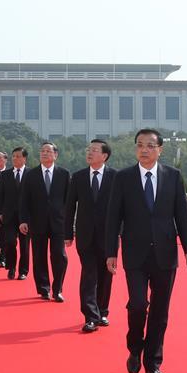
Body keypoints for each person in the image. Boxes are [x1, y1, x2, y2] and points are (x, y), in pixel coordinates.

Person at [106, 129, 187, 373]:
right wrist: (111, 251)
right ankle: (135, 347)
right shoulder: (124, 178)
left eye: (149, 145)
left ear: (160, 149)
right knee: (137, 303)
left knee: (160, 311)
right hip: (134, 254)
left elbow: (182, 215)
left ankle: (153, 362)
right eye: (140, 145)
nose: (144, 149)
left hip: (165, 254)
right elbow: (114, 218)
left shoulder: (173, 176)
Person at [65, 139, 117, 333]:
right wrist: (67, 233)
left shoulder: (115, 177)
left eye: (94, 150)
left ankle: (102, 311)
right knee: (89, 275)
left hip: (108, 236)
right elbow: (70, 207)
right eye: (89, 149)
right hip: (85, 235)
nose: (89, 153)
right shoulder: (78, 177)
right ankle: (90, 316)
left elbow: (122, 208)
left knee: (106, 274)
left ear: (104, 156)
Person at [19, 142, 70, 302]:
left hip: (58, 223)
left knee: (59, 256)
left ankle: (58, 289)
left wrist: (69, 223)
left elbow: (69, 201)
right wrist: (23, 220)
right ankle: (44, 288)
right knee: (39, 257)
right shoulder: (31, 174)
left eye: (48, 151)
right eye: (42, 151)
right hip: (37, 222)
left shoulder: (64, 174)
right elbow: (24, 200)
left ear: (55, 155)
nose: (44, 153)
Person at [0, 147, 30, 281]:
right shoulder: (5, 175)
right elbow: (0, 195)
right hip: (9, 215)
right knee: (10, 242)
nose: (15, 159)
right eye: (13, 156)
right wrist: (0, 212)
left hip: (26, 216)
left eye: (18, 156)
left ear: (24, 158)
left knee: (24, 245)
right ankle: (11, 267)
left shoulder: (31, 174)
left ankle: (23, 271)